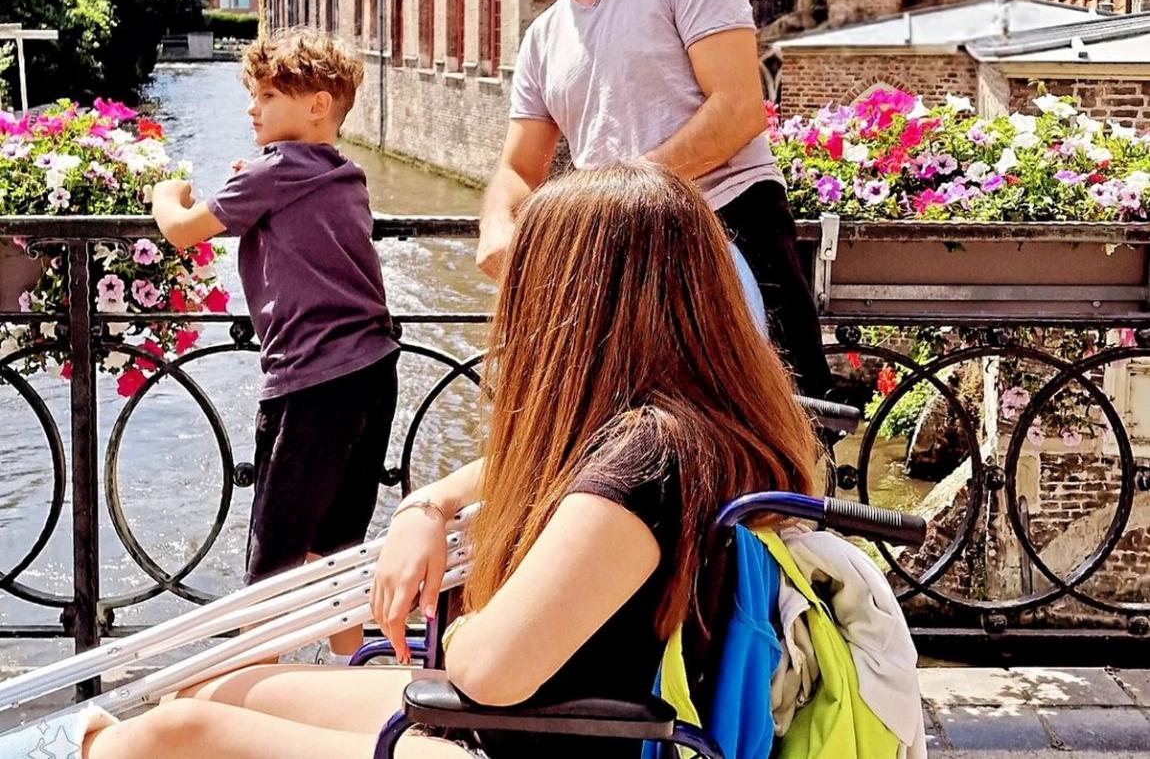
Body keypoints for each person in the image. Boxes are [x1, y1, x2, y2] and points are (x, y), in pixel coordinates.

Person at [56, 161, 817, 759]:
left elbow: (489, 670)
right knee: (215, 688)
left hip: (524, 736)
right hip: (536, 723)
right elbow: (544, 472)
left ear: (572, 304)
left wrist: (459, 616)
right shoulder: (691, 428)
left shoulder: (643, 468)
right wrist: (429, 506)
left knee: (176, 735)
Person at [476, 0, 832, 402]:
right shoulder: (542, 37)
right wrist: (496, 223)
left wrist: (617, 195)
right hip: (617, 255)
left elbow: (738, 109)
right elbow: (518, 167)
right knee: (625, 432)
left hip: (722, 226)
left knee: (775, 435)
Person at [150, 30, 400, 660]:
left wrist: (166, 194)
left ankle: (250, 683)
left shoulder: (274, 171)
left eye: (266, 95)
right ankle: (349, 668)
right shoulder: (346, 173)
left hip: (312, 380)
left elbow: (182, 231)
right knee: (338, 547)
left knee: (273, 555)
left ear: (318, 105)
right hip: (374, 367)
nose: (251, 108)